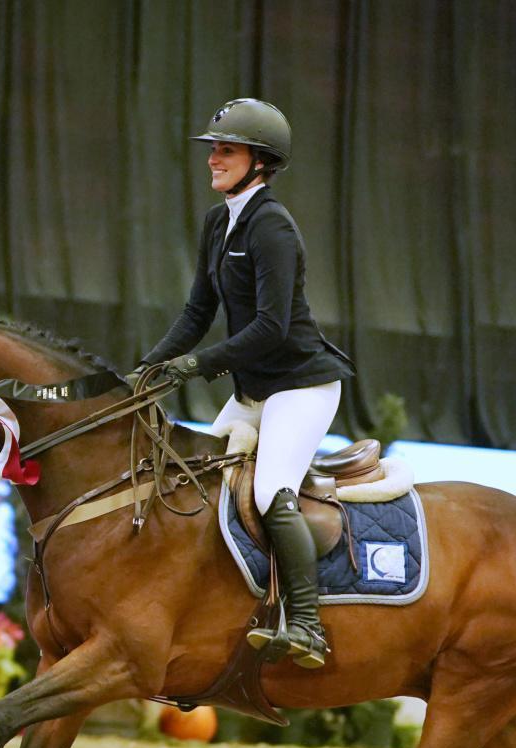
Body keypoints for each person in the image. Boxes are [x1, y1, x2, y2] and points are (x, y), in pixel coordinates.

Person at [140, 98, 355, 669]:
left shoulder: (272, 227)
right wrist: (148, 370)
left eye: (226, 150)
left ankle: (306, 626)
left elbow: (271, 327)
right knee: (196, 485)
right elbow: (194, 315)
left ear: (260, 161)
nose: (213, 159)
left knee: (267, 491)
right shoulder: (219, 222)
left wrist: (196, 367)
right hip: (256, 391)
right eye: (213, 149)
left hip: (301, 387)